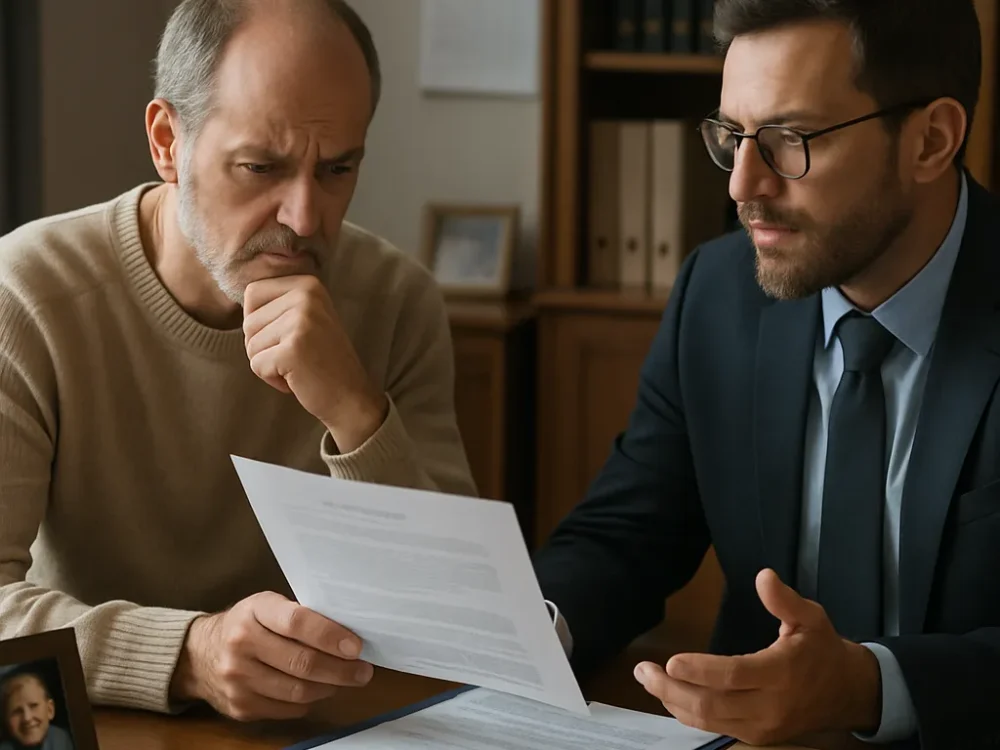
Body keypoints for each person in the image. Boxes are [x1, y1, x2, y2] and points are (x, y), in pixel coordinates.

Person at [533, 0, 995, 748]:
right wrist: (536, 631)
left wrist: (867, 687)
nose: (742, 186)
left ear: (931, 140)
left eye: (789, 139)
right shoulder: (716, 295)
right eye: (732, 136)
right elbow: (627, 535)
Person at [0, 0, 476, 724]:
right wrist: (186, 654)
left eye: (339, 168)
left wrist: (356, 412)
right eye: (261, 167)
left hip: (323, 730)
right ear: (168, 141)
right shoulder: (27, 292)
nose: (306, 219)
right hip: (104, 727)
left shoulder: (396, 302)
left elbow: (461, 615)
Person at [0, 672, 73, 750]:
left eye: (33, 706)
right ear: (6, 719)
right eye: (17, 711)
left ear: (49, 710)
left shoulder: (61, 739)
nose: (27, 718)